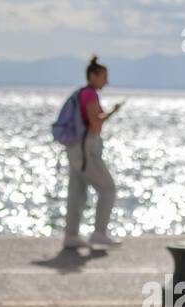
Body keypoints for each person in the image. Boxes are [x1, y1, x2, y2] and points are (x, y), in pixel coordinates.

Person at [63, 55, 122, 249]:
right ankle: (99, 232)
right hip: (86, 150)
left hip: (75, 149)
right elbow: (95, 123)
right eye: (104, 76)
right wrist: (112, 113)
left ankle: (71, 236)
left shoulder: (81, 93)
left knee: (77, 192)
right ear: (93, 75)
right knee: (108, 188)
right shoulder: (90, 94)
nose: (107, 81)